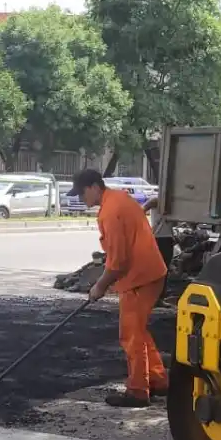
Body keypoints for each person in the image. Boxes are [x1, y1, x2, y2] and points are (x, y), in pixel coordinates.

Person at [70, 168, 170, 407]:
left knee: (131, 335)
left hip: (139, 278)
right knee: (139, 332)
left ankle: (138, 392)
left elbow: (118, 262)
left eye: (82, 193)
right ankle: (157, 380)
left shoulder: (110, 212)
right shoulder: (119, 199)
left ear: (94, 187)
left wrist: (99, 286)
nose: (81, 199)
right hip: (150, 273)